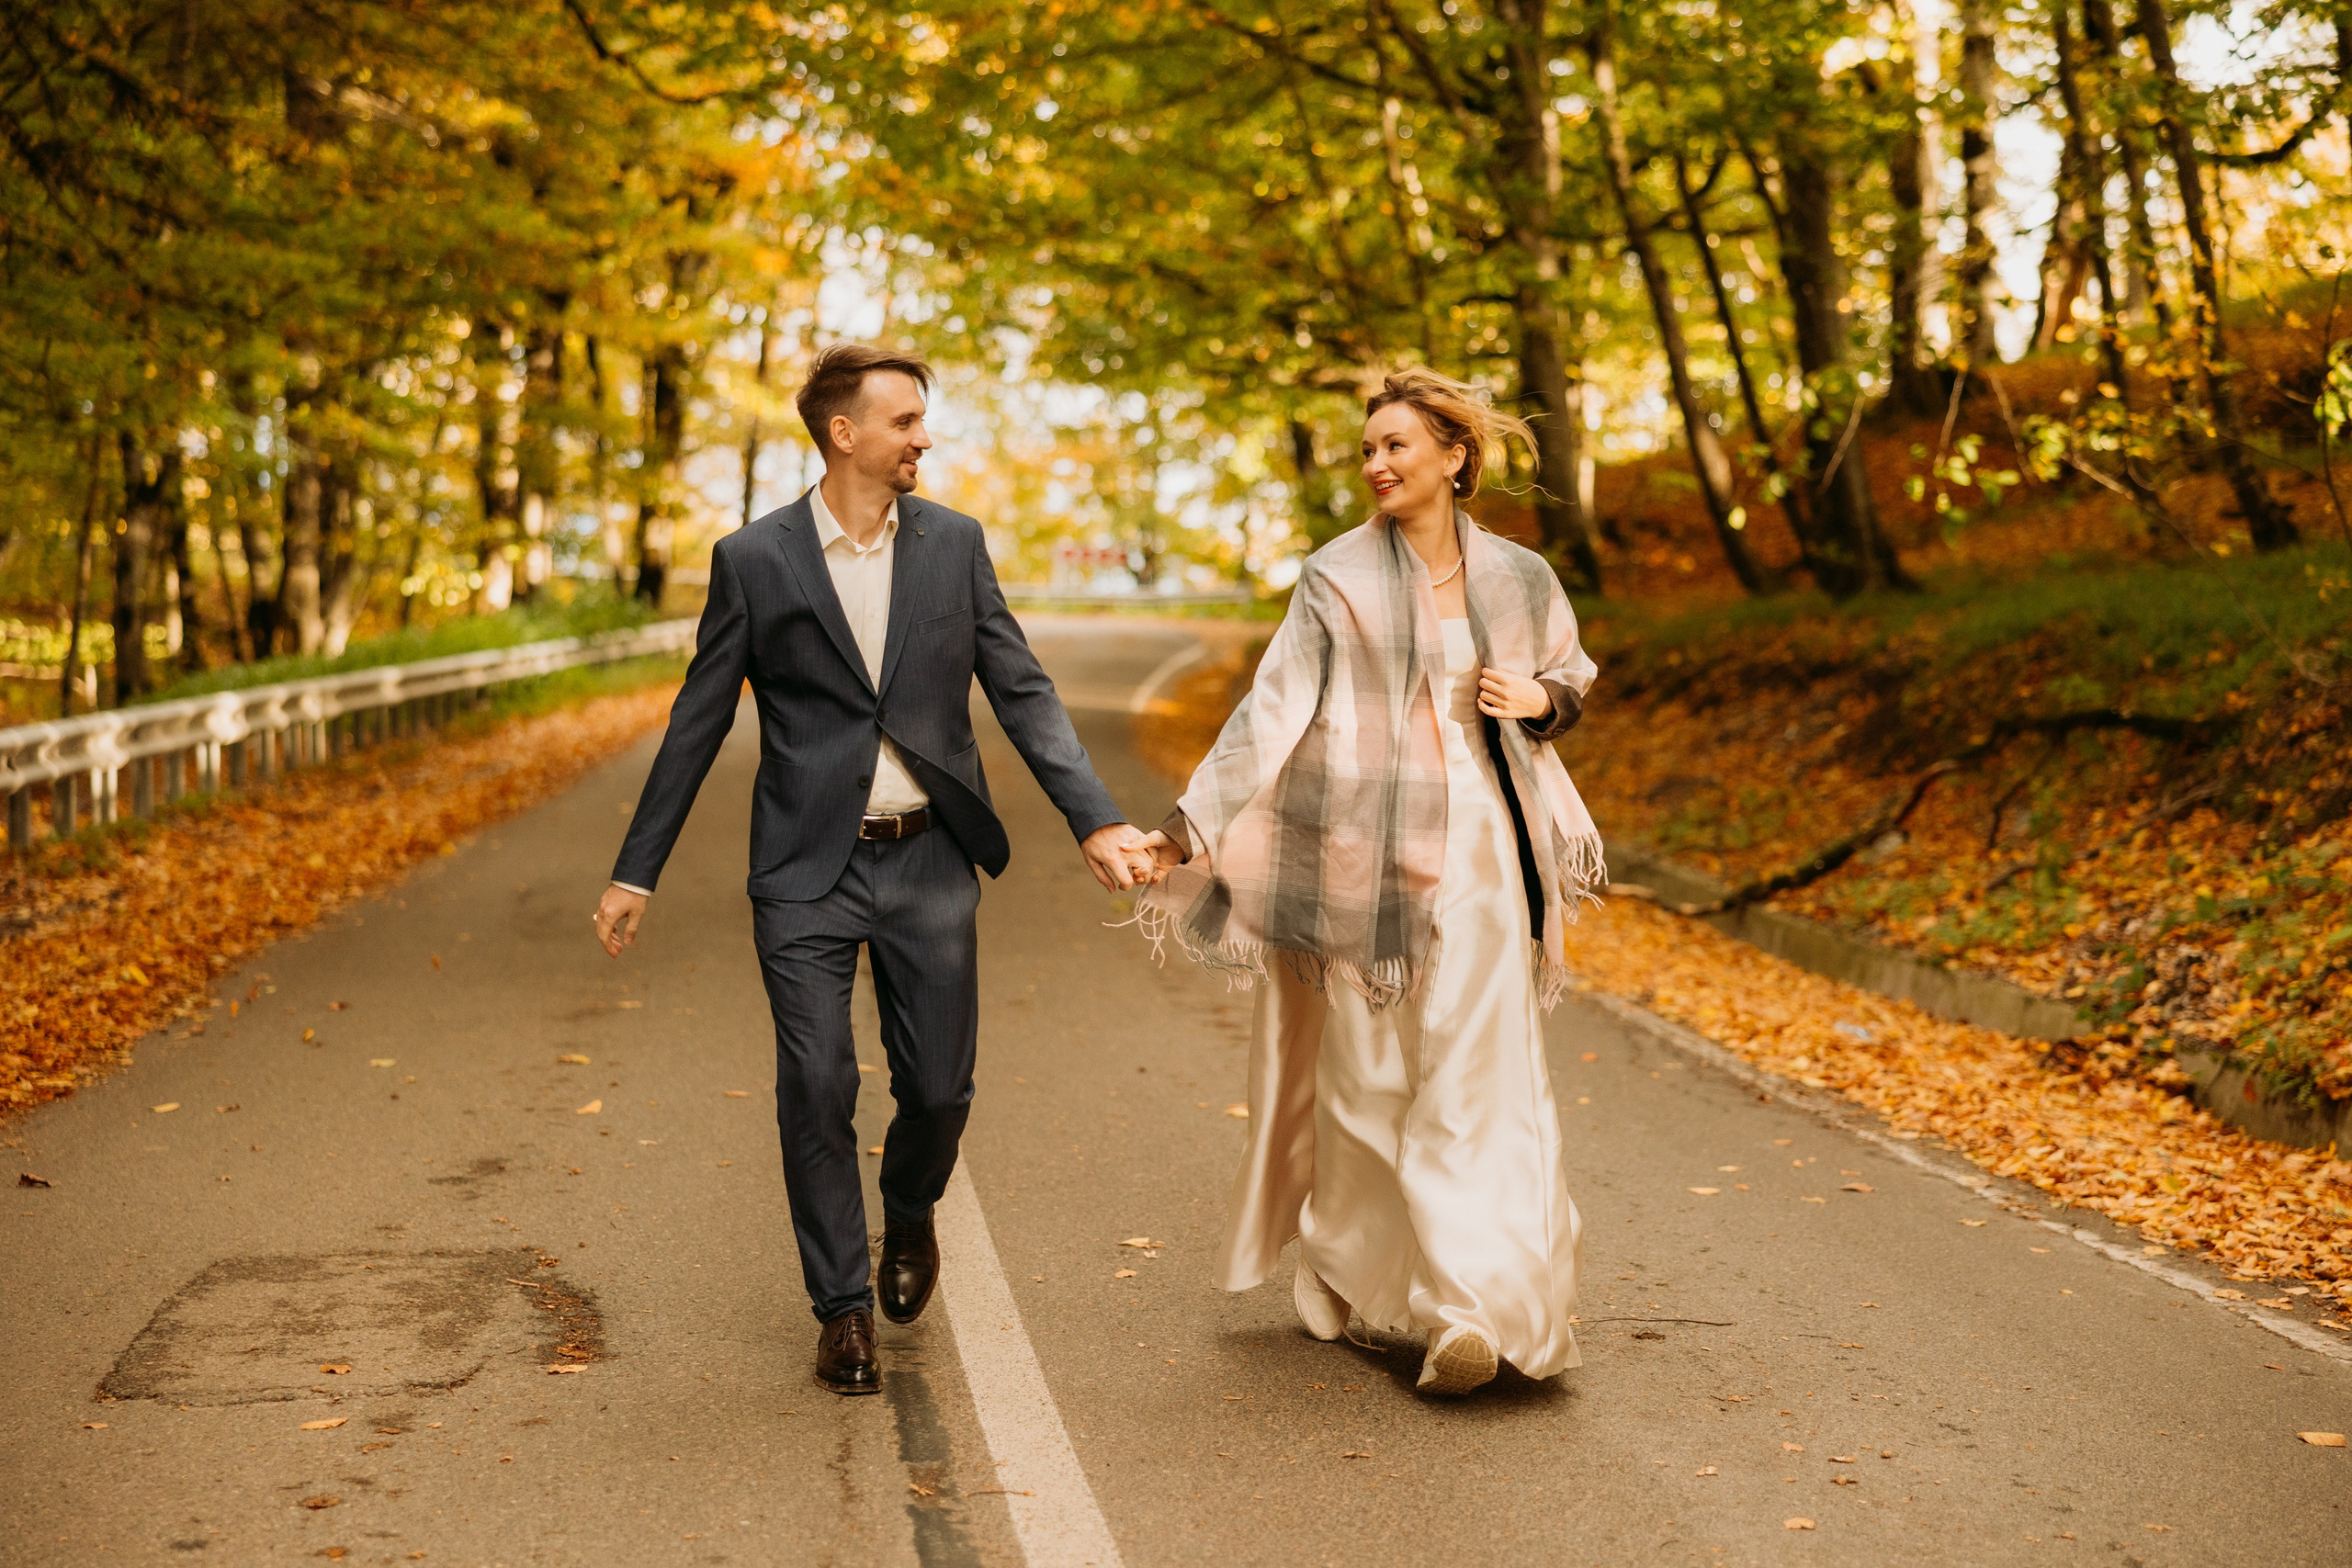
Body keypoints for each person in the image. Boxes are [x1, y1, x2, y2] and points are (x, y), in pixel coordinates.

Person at [593, 343, 1149, 1396]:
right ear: (844, 433)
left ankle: (909, 1209)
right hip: (805, 867)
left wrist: (1095, 820)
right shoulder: (754, 559)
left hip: (929, 860)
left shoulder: (953, 546)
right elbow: (697, 722)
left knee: (937, 1089)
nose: (922, 438)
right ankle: (841, 1308)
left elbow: (1021, 691)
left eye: (923, 421)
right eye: (905, 421)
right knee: (815, 1081)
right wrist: (637, 871)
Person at [1129, 367, 1605, 1396]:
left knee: (1482, 1082)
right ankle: (1353, 1268)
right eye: (1367, 449)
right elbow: (1271, 714)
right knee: (1366, 1082)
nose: (1377, 464)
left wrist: (1538, 699)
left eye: (1396, 445)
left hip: (1485, 854)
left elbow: (1568, 680)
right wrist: (1181, 833)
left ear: (1455, 457)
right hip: (1360, 862)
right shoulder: (1334, 576)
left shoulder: (1521, 579)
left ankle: (1473, 1311)